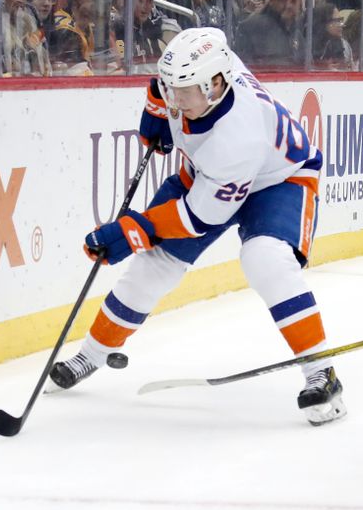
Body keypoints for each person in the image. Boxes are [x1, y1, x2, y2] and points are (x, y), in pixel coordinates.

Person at [49, 27, 347, 426]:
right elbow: (179, 62)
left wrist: (134, 229)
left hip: (280, 180)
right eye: (171, 88)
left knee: (266, 259)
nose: (174, 98)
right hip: (206, 176)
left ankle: (320, 371)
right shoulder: (207, 73)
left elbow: (197, 218)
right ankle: (92, 353)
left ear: (215, 86)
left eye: (181, 91)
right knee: (154, 265)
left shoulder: (239, 137)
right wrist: (157, 103)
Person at [235, 0, 304, 68]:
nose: (288, 5)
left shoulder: (297, 33)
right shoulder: (253, 27)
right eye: (283, 0)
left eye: (293, 1)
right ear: (271, 1)